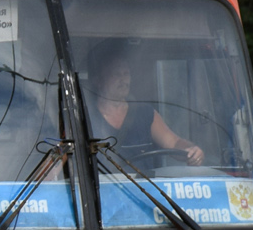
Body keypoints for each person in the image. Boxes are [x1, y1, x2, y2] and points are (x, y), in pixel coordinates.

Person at [85, 39, 203, 167]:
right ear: (98, 80)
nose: (123, 79)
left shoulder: (145, 113)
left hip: (143, 186)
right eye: (116, 74)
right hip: (98, 187)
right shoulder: (85, 116)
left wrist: (192, 150)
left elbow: (174, 142)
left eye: (126, 73)